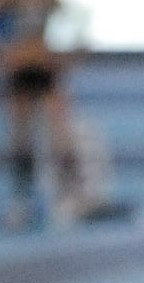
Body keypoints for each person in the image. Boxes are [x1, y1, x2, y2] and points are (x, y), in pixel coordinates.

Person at [0, 0, 80, 229]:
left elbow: (75, 24)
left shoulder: (49, 3)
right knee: (21, 139)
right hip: (20, 71)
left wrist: (67, 57)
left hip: (45, 70)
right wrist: (8, 55)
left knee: (60, 134)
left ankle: (67, 196)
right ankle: (22, 200)